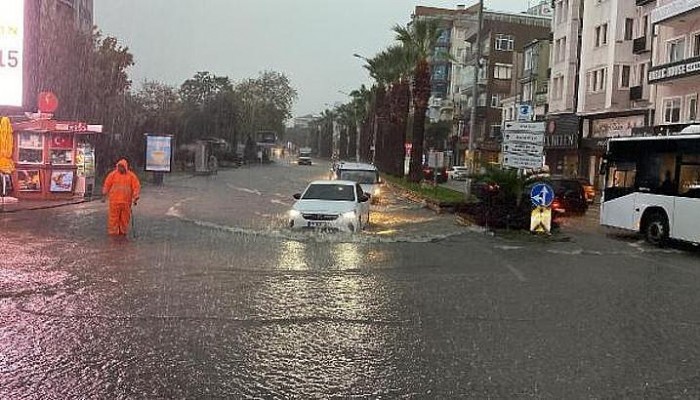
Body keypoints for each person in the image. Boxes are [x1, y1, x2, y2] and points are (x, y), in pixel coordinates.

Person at [102, 159, 141, 236]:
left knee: (125, 219)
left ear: (125, 167)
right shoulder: (112, 175)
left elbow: (136, 187)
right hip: (114, 202)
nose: (120, 169)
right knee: (113, 219)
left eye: (122, 167)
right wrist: (104, 194)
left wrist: (136, 197)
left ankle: (123, 233)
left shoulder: (131, 176)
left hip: (126, 202)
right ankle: (113, 234)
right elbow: (107, 185)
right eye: (119, 167)